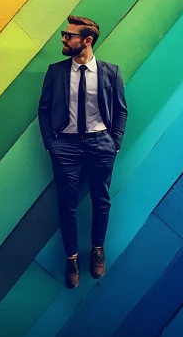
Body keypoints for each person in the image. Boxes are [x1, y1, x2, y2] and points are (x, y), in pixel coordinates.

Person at [38, 15, 127, 289]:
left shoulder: (110, 72)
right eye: (64, 34)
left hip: (101, 144)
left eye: (69, 35)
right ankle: (72, 258)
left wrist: (115, 142)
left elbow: (121, 110)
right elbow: (43, 110)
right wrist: (51, 144)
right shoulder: (55, 71)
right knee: (67, 204)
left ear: (87, 41)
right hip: (65, 146)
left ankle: (97, 250)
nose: (64, 39)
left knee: (102, 200)